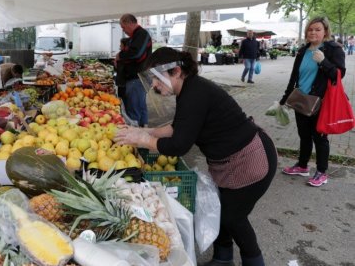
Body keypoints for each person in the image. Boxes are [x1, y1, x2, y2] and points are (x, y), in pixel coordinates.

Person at [114, 47, 277, 266]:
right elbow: (178, 127)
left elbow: (178, 145)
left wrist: (142, 140)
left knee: (233, 217)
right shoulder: (190, 90)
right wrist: (146, 132)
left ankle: (254, 261)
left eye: (156, 78)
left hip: (250, 159)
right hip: (229, 161)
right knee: (224, 211)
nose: (153, 85)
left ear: (176, 72)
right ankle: (223, 258)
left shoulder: (196, 93)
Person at [279, 17, 346, 187]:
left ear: (325, 32)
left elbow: (338, 75)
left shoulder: (333, 49)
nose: (313, 32)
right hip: (301, 100)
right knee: (304, 135)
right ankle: (302, 166)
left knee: (320, 138)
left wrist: (323, 61)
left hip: (321, 101)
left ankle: (322, 172)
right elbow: (294, 76)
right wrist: (285, 98)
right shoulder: (303, 50)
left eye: (317, 29)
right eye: (310, 29)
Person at [116, 14, 152, 127]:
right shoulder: (135, 36)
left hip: (137, 78)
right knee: (140, 106)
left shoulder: (141, 34)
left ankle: (135, 136)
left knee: (134, 109)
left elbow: (136, 53)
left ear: (129, 23)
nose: (124, 30)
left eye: (123, 27)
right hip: (136, 78)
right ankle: (143, 128)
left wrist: (120, 56)